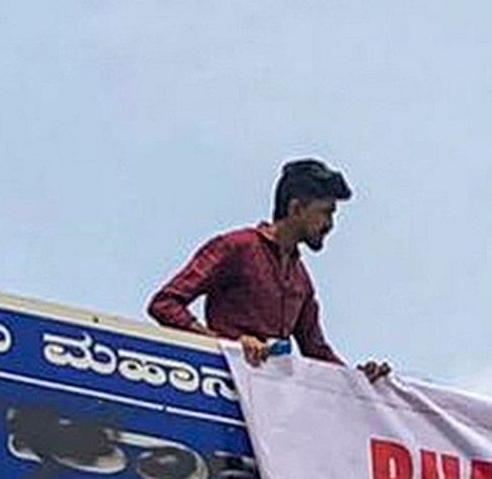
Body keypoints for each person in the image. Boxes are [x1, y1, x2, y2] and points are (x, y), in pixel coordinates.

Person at [149, 160, 391, 378]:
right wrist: (225, 345)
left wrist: (359, 380)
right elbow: (165, 304)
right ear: (296, 209)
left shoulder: (301, 279)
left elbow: (315, 350)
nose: (330, 225)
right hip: (220, 388)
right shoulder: (237, 247)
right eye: (325, 213)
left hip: (268, 404)